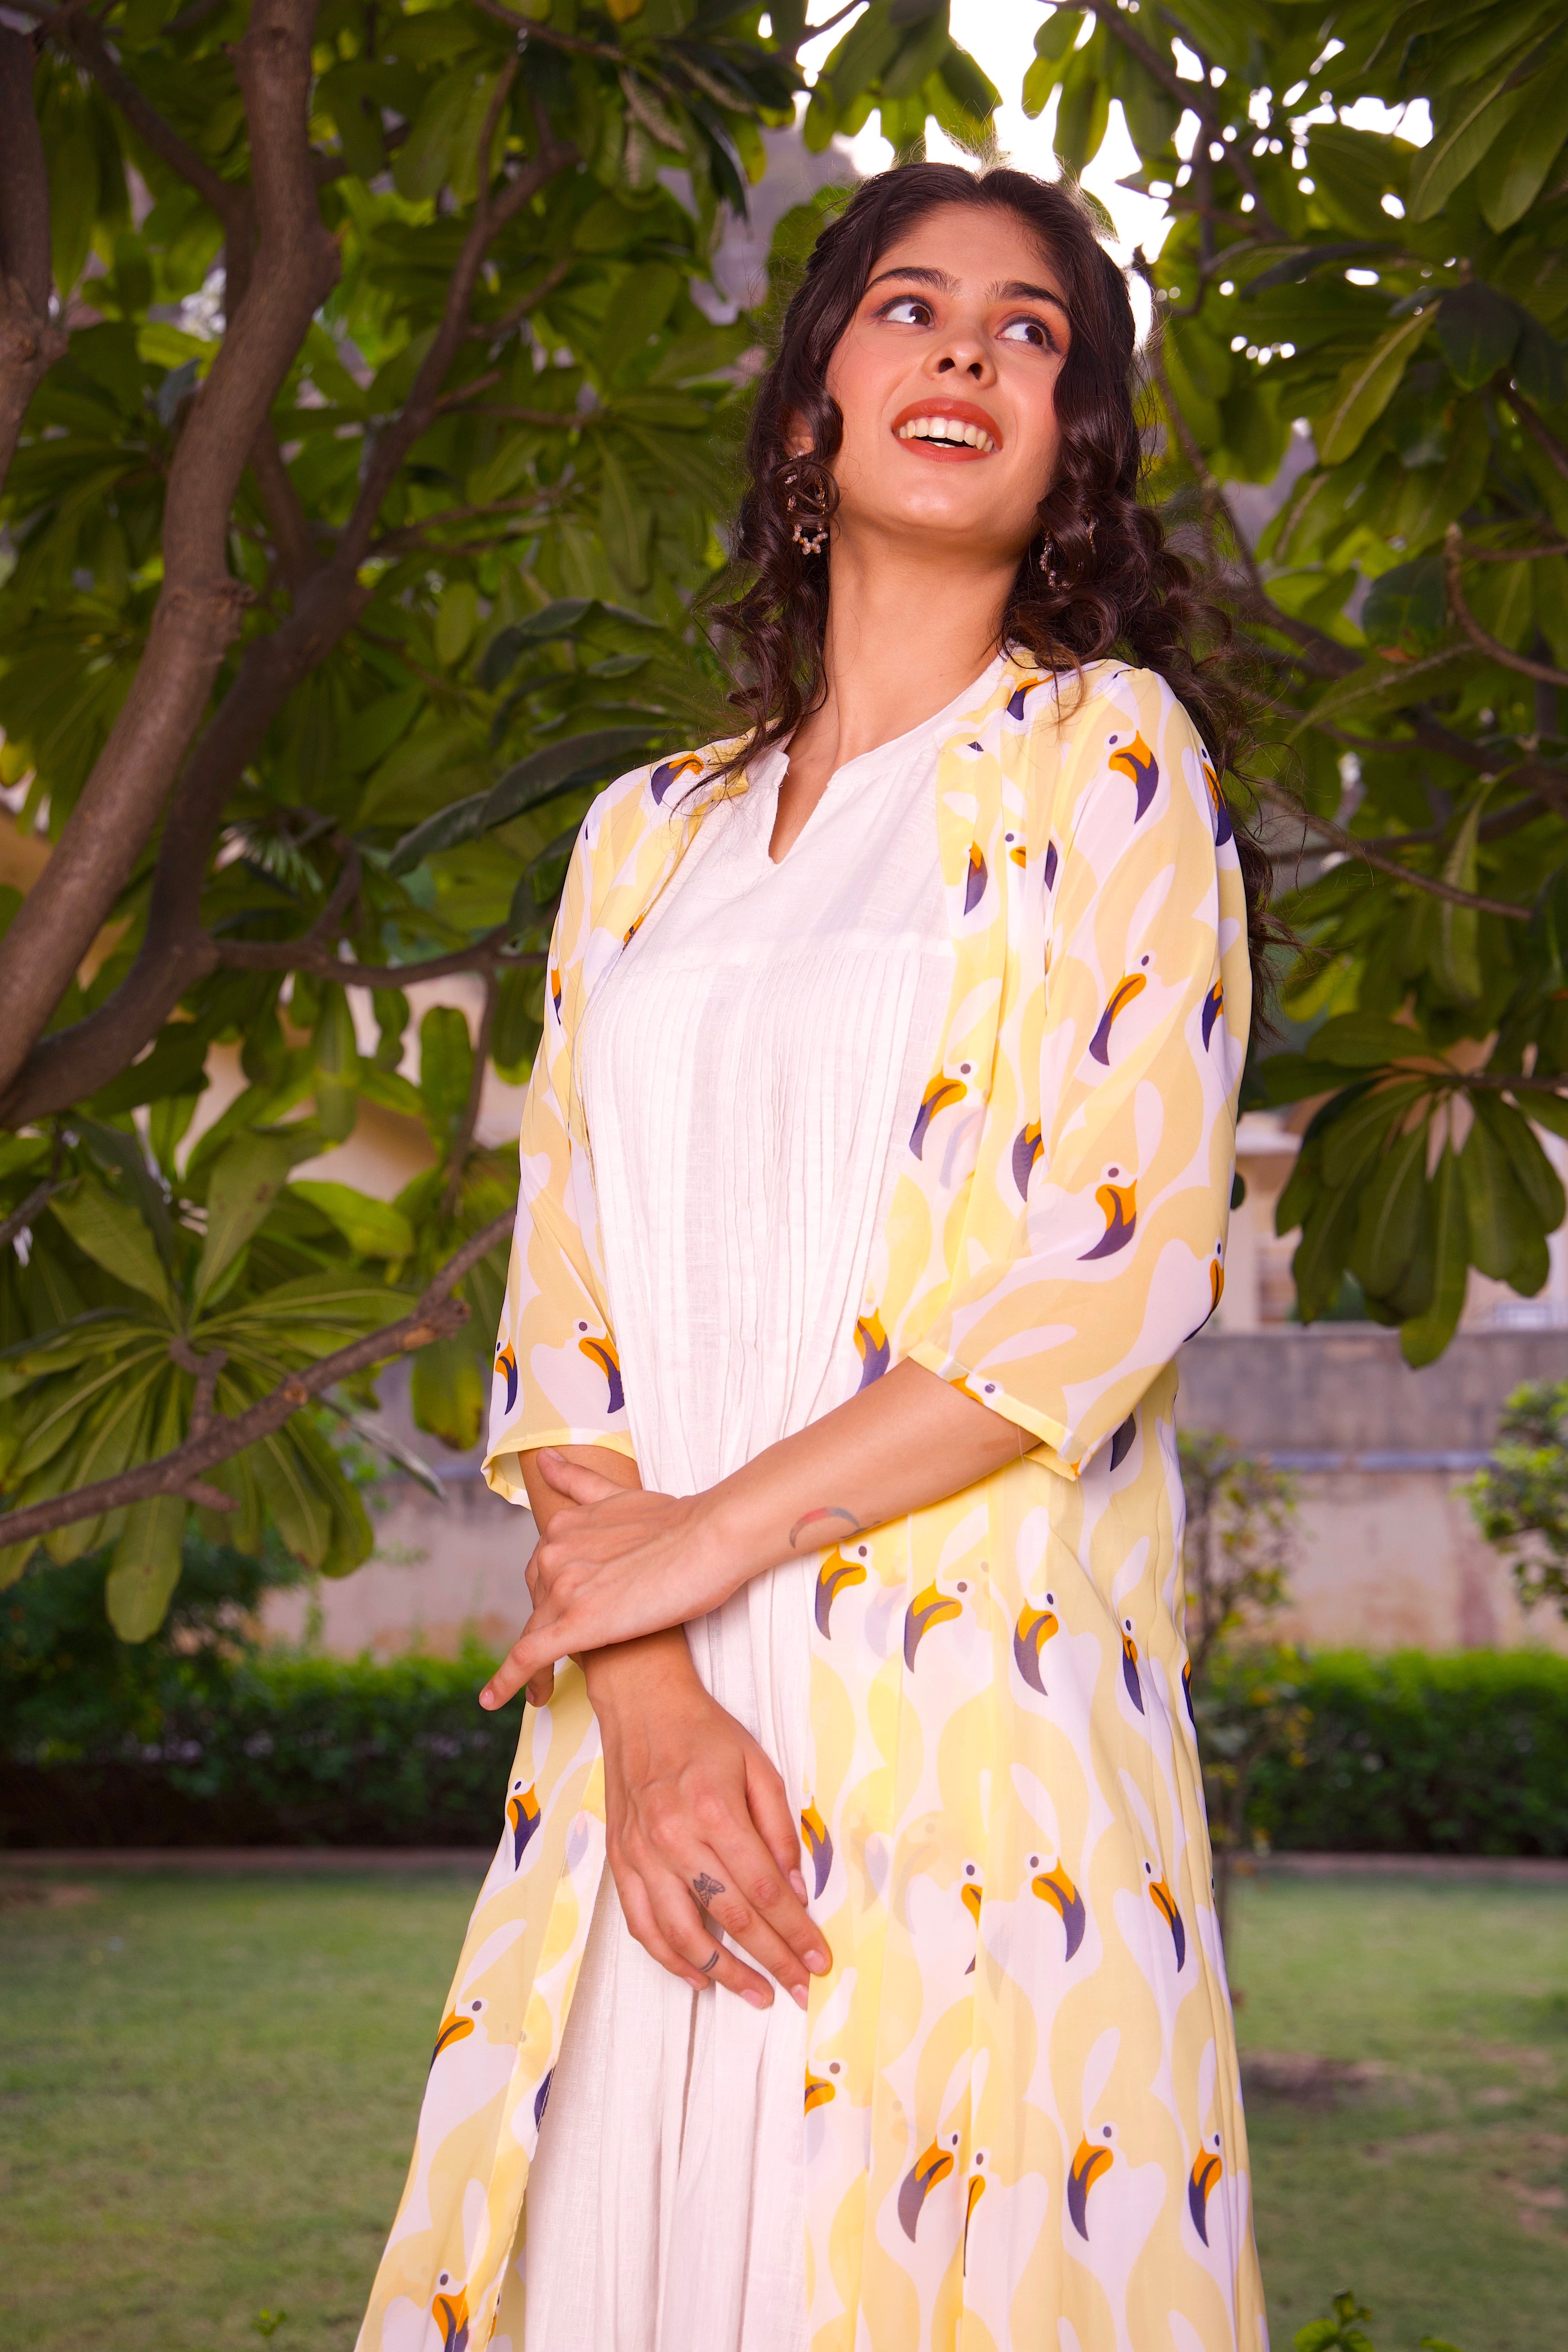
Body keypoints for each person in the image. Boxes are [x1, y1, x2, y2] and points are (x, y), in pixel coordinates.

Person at [358, 162, 1271, 2352]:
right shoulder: (639, 835)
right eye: (911, 311)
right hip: (649, 1772)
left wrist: (689, 1556)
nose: (967, 351)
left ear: (1071, 447)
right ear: (808, 419)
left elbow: (1100, 1274)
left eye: (1030, 332)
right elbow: (560, 1334)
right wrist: (657, 1707)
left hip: (983, 1743)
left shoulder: (1107, 765)